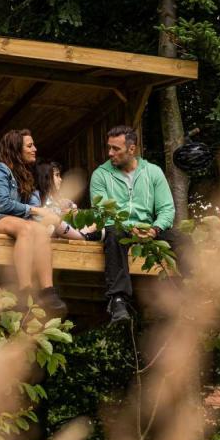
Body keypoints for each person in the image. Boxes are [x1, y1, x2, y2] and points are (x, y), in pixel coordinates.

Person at [0, 129, 67, 317]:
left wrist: (51, 218)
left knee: (39, 230)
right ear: (16, 148)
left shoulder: (26, 176)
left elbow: (34, 212)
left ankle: (48, 292)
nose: (35, 149)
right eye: (30, 145)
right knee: (25, 228)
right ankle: (24, 291)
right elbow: (3, 204)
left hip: (15, 222)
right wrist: (35, 210)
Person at [90, 125, 175, 325]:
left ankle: (193, 293)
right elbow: (101, 213)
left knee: (184, 240)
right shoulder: (100, 175)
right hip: (119, 227)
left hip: (150, 229)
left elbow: (167, 209)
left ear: (131, 149)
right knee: (114, 233)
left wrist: (155, 229)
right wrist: (130, 227)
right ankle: (118, 300)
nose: (110, 153)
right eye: (109, 148)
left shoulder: (153, 172)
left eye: (115, 149)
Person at [35, 160, 87, 240]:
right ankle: (84, 235)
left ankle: (85, 234)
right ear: (46, 176)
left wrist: (74, 213)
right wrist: (62, 214)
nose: (61, 179)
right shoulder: (36, 196)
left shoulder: (61, 200)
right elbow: (39, 222)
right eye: (57, 175)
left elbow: (70, 223)